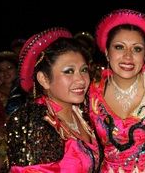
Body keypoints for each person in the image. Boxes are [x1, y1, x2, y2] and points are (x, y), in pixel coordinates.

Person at [6, 27, 102, 172]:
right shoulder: (34, 122)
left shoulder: (83, 111)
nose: (81, 80)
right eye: (69, 71)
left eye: (83, 70)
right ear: (44, 79)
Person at [89, 9, 145, 172]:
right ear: (106, 52)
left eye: (137, 49)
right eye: (119, 47)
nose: (128, 56)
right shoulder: (89, 93)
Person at [0, 51, 18, 173]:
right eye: (1, 70)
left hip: (23, 139)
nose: (5, 73)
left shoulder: (28, 91)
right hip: (0, 141)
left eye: (9, 68)